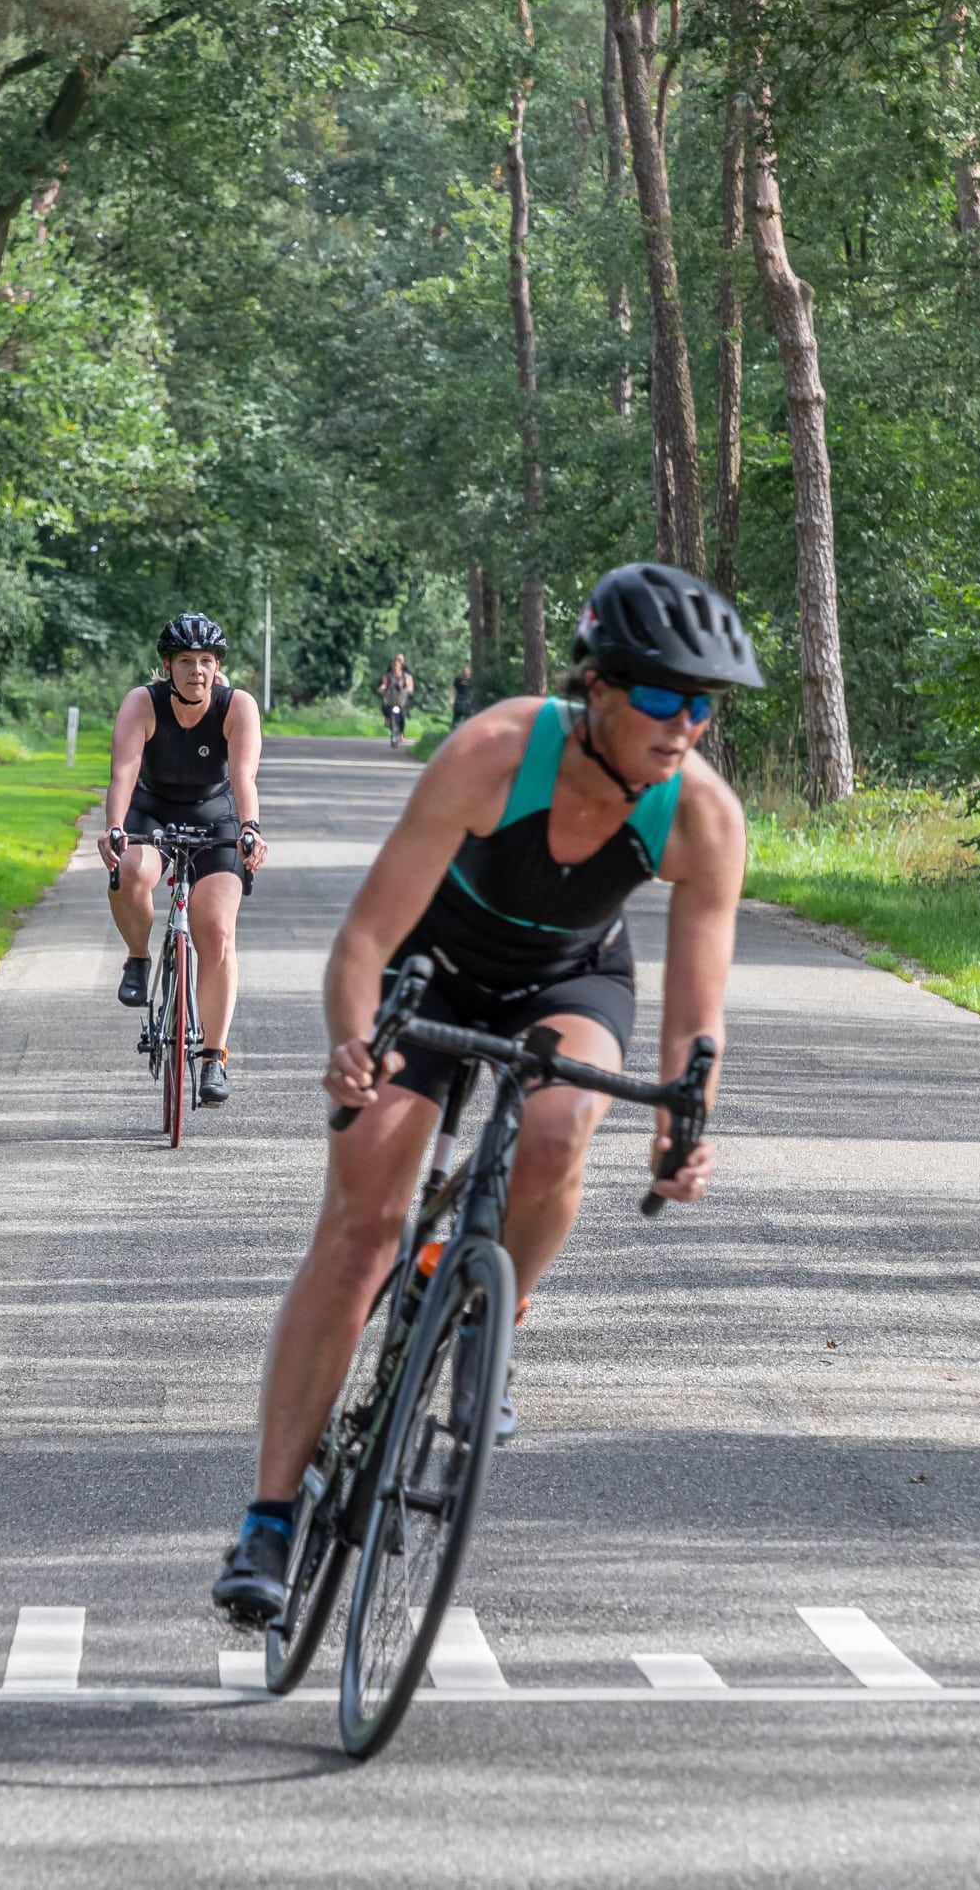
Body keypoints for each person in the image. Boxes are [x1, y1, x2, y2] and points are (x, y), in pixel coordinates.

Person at [214, 562, 763, 1624]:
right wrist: (347, 1040)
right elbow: (366, 937)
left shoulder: (702, 815)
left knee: (562, 1124)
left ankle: (484, 1318)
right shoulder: (495, 751)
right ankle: (271, 1519)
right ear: (595, 687)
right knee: (364, 1221)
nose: (681, 724)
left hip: (566, 976)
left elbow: (696, 1015)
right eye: (658, 695)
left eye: (700, 704)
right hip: (430, 968)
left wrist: (681, 1126)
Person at [100, 612, 268, 1107]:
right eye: (187, 661)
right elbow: (123, 774)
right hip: (151, 810)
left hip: (216, 815)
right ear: (167, 666)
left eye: (207, 662)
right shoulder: (143, 703)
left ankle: (213, 1056)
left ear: (218, 667)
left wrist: (251, 829)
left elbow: (244, 778)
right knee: (132, 870)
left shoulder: (237, 705)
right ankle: (137, 957)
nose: (198, 671)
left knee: (215, 929)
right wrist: (114, 827)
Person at [377, 651, 414, 749]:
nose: (395, 666)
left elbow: (410, 687)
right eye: (393, 664)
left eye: (397, 664)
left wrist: (407, 690)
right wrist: (381, 689)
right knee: (387, 712)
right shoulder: (387, 676)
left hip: (400, 701)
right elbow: (384, 685)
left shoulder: (406, 676)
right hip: (390, 701)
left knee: (402, 718)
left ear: (401, 665)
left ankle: (400, 732)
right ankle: (391, 729)